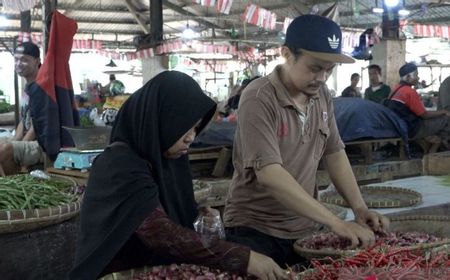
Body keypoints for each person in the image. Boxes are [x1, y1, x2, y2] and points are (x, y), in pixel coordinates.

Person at [69, 71, 287, 280]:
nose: (191, 138)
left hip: (157, 267)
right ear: (162, 120)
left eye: (196, 129)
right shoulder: (117, 165)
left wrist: (199, 218)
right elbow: (161, 234)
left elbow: (167, 214)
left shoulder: (167, 159)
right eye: (185, 128)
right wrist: (243, 258)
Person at [223, 15, 389, 266]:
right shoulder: (258, 97)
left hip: (303, 226)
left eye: (329, 69)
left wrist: (359, 208)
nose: (322, 77)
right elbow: (269, 174)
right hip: (256, 229)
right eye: (315, 68)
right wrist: (335, 222)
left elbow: (334, 152)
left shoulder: (321, 94)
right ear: (287, 54)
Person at [0, 42, 44, 176]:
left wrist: (17, 146)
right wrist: (15, 141)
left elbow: (35, 127)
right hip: (29, 140)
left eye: (24, 59)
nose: (19, 63)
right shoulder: (27, 87)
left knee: (6, 150)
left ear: (37, 61)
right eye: (16, 59)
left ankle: (10, 188)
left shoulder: (41, 87)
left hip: (41, 144)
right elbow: (23, 120)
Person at [384, 62, 450, 152]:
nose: (418, 78)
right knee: (446, 117)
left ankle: (435, 143)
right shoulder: (409, 92)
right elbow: (424, 115)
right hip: (412, 129)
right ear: (408, 77)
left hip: (398, 127)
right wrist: (444, 112)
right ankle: (443, 143)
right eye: (416, 75)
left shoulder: (395, 89)